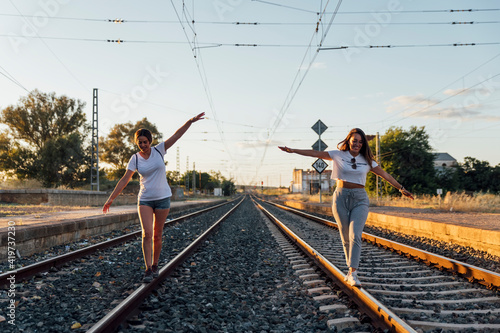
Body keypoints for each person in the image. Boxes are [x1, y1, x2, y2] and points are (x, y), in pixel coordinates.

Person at [279, 128, 413, 287]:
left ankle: (353, 272)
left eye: (360, 142)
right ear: (349, 140)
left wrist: (400, 188)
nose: (357, 144)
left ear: (363, 144)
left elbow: (385, 175)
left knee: (355, 234)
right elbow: (315, 153)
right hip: (340, 197)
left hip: (360, 199)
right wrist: (293, 150)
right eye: (354, 140)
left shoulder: (368, 161)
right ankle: (350, 270)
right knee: (345, 237)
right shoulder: (337, 155)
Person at [103, 112, 205, 282]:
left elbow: (177, 135)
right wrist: (110, 199)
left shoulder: (159, 150)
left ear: (150, 141)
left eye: (145, 142)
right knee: (146, 234)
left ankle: (156, 264)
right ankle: (148, 268)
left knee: (157, 235)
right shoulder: (134, 159)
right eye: (139, 143)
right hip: (145, 199)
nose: (143, 145)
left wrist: (190, 121)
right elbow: (124, 179)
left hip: (163, 198)